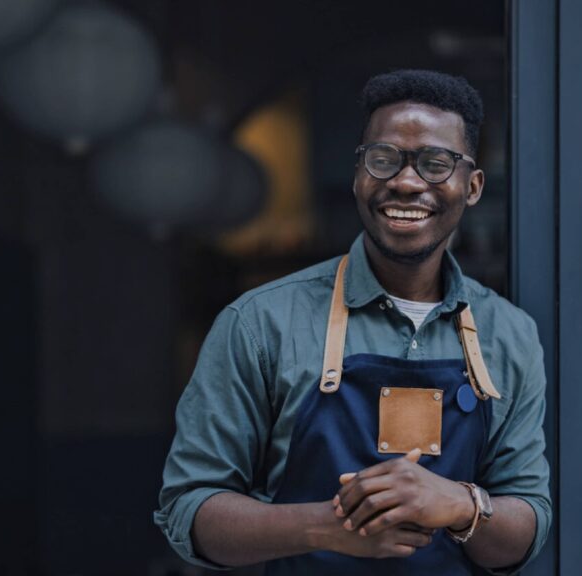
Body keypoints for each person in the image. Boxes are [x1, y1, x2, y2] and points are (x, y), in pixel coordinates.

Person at [155, 69, 551, 575]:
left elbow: (527, 526)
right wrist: (328, 527)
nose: (406, 182)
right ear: (358, 174)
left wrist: (462, 504)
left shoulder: (510, 336)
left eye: (435, 164)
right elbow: (190, 512)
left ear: (471, 186)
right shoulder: (258, 324)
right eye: (384, 160)